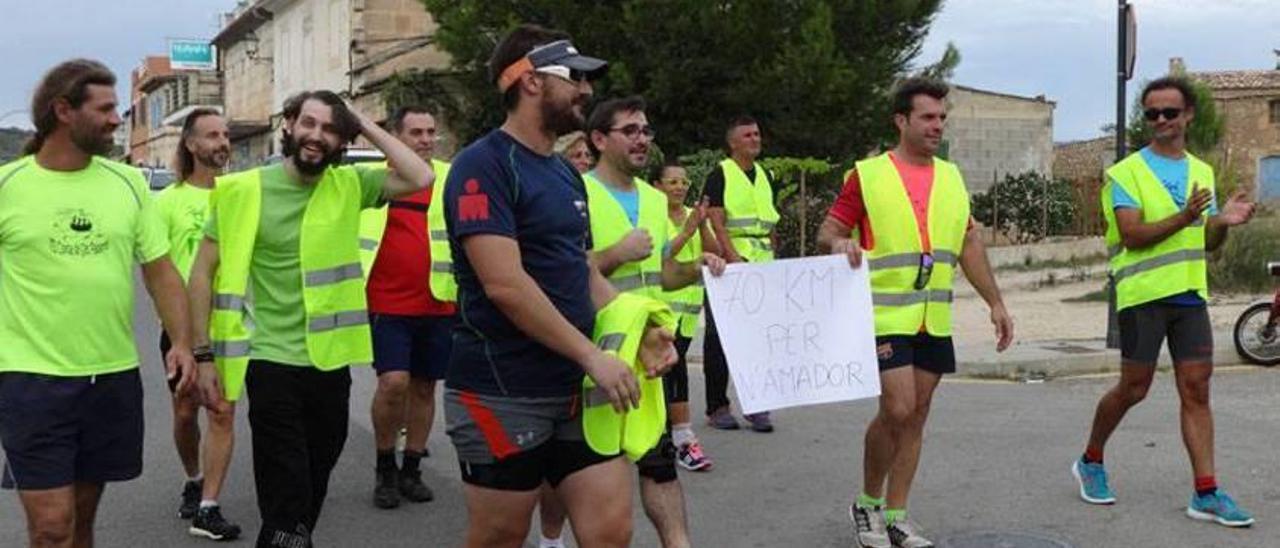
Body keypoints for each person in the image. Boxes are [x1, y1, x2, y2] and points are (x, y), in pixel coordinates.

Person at [440, 25, 676, 548]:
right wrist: (593, 356)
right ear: (529, 82)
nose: (587, 91)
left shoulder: (566, 174)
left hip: (577, 390)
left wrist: (641, 333)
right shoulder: (481, 167)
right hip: (500, 391)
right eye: (575, 78)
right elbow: (504, 284)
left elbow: (582, 272)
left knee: (610, 531)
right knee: (501, 534)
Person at [189, 90, 433, 547]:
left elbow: (420, 175)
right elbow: (202, 273)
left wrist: (359, 120)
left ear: (342, 140)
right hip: (270, 362)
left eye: (330, 129)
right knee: (288, 491)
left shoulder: (350, 185)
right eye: (309, 123)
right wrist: (202, 354)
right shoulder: (244, 190)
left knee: (313, 486)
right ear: (288, 125)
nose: (316, 136)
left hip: (328, 366)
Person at [0, 58, 197, 548]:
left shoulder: (128, 184)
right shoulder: (8, 185)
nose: (116, 119)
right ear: (63, 110)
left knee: (82, 524)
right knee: (51, 528)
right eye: (106, 108)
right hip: (30, 380)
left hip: (110, 376)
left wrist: (184, 343)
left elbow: (161, 271)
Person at [817, 77, 1014, 548]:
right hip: (883, 314)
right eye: (927, 117)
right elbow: (828, 231)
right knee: (898, 407)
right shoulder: (867, 175)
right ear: (901, 121)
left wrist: (996, 302)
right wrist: (840, 242)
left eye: (942, 118)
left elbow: (967, 243)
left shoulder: (951, 176)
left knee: (918, 414)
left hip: (933, 316)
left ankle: (898, 514)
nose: (937, 126)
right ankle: (867, 505)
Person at [1072, 76, 1256, 527]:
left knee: (1197, 390)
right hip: (1142, 297)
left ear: (1188, 115)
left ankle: (1206, 493)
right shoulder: (1127, 172)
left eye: (1169, 113)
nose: (1159, 121)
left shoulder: (1201, 171)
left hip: (1189, 296)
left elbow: (1208, 242)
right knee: (1134, 388)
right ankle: (1090, 460)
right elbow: (1132, 235)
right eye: (1151, 113)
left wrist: (1223, 222)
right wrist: (1188, 215)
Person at [360, 105, 456, 510]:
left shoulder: (451, 178)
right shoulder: (375, 178)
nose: (426, 139)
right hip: (386, 299)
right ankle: (385, 467)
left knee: (423, 386)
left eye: (431, 131)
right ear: (396, 137)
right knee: (393, 383)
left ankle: (411, 468)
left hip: (439, 299)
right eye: (416, 132)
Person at [155, 108, 242, 540]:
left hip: (229, 326)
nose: (222, 142)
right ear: (190, 144)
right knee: (186, 411)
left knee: (222, 412)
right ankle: (193, 478)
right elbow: (156, 272)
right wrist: (176, 334)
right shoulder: (167, 201)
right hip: (181, 329)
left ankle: (208, 506)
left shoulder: (239, 194)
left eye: (225, 135)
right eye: (212, 135)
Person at [702, 115, 779, 432]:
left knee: (760, 338)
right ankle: (717, 405)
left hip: (762, 263)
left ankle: (757, 403)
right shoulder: (720, 174)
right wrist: (733, 260)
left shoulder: (766, 175)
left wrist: (775, 259)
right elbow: (717, 221)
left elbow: (771, 222)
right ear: (732, 142)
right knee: (719, 337)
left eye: (757, 134)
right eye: (747, 135)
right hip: (730, 266)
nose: (755, 139)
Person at [651, 159, 719, 472]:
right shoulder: (652, 216)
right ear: (657, 186)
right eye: (672, 181)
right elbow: (660, 255)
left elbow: (712, 249)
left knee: (668, 375)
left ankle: (667, 436)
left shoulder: (691, 217)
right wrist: (687, 230)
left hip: (688, 312)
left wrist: (702, 224)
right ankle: (681, 439)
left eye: (683, 182)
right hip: (661, 310)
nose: (680, 187)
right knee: (670, 373)